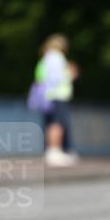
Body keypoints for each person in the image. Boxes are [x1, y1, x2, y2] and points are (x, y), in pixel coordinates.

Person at [34, 34, 79, 167]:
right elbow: (56, 78)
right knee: (57, 123)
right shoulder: (56, 57)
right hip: (57, 95)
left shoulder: (45, 58)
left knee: (50, 123)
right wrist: (70, 74)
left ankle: (52, 151)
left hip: (47, 96)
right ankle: (54, 152)